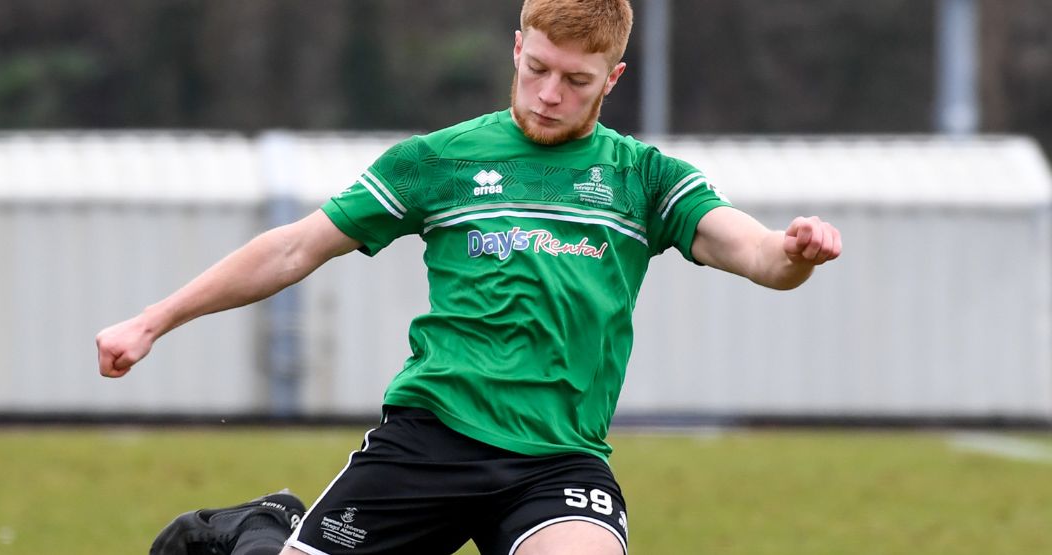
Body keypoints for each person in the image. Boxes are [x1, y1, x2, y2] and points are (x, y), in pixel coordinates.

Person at [95, 1, 842, 553]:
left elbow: (753, 255)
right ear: (516, 47)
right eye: (536, 69)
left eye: (575, 81)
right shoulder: (440, 160)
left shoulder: (643, 178)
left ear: (612, 78)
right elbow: (295, 247)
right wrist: (153, 319)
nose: (549, 94)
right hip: (431, 439)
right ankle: (261, 528)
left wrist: (793, 250)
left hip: (557, 459)